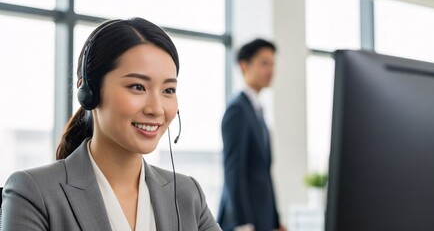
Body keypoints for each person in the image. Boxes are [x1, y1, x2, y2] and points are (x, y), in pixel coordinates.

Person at [1, 17, 221, 231]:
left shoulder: (187, 194)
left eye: (168, 90)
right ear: (89, 92)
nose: (156, 108)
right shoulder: (33, 192)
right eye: (137, 87)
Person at [217, 39, 286, 231]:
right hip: (244, 221)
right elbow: (233, 170)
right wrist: (243, 224)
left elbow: (264, 172)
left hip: (262, 219)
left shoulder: (257, 110)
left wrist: (275, 219)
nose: (271, 70)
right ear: (244, 66)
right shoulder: (237, 110)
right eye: (264, 63)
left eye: (273, 64)